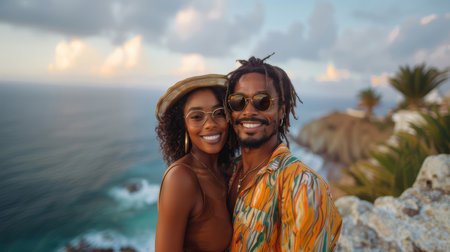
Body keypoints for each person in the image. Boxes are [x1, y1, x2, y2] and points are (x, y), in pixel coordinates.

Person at [226, 55, 342, 251]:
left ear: (282, 111)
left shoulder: (303, 185)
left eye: (262, 101)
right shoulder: (227, 173)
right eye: (238, 101)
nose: (248, 111)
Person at [155, 74, 238, 252]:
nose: (210, 124)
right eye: (197, 117)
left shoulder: (229, 169)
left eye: (220, 113)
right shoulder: (180, 179)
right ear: (182, 125)